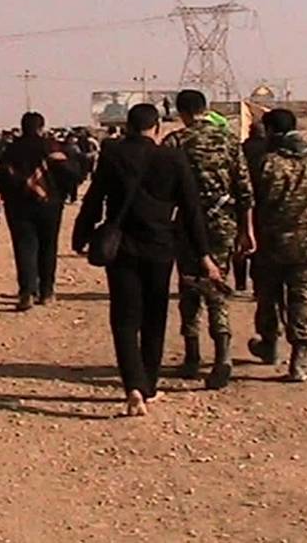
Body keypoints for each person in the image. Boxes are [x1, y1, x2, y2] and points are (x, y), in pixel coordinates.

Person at [72, 104, 221, 417]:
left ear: (128, 126)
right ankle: (149, 385)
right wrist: (204, 255)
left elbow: (95, 198)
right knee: (155, 316)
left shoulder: (113, 154)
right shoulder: (173, 158)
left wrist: (81, 235)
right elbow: (192, 210)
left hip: (122, 247)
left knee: (124, 319)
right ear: (157, 128)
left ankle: (133, 387)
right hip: (160, 246)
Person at [162, 90, 256, 390]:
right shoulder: (229, 140)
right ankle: (222, 356)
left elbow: (162, 188)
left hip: (188, 224)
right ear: (205, 109)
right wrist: (247, 230)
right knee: (217, 286)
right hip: (223, 222)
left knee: (189, 285)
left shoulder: (175, 141)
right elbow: (245, 190)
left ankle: (192, 356)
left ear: (181, 113)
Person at [247, 109, 307, 383]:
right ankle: (300, 361)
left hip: (273, 243)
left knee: (268, 297)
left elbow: (252, 203)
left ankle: (269, 345)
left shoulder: (268, 164)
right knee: (304, 300)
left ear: (271, 131)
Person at [0, 111, 81, 311]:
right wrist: (63, 192)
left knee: (24, 247)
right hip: (50, 205)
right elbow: (72, 173)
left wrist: (12, 194)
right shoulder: (52, 147)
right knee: (48, 247)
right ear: (41, 128)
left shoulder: (11, 150)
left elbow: (1, 177)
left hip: (19, 207)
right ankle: (47, 292)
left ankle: (27, 292)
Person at [236, 119, 269, 292]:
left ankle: (240, 281)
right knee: (260, 243)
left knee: (240, 242)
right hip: (263, 201)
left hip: (242, 199)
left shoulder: (242, 148)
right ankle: (258, 283)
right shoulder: (270, 150)